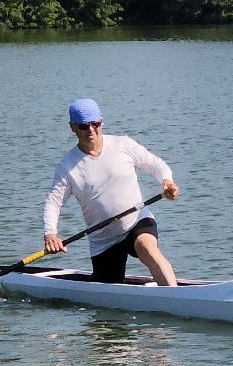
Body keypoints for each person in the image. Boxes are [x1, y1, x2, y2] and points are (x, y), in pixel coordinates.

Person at [43, 98, 181, 285]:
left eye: (95, 123)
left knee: (146, 247)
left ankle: (174, 295)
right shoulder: (67, 167)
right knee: (107, 290)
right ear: (72, 127)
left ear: (101, 122)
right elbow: (54, 203)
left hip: (137, 220)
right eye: (83, 126)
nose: (91, 130)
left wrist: (167, 182)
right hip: (104, 239)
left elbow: (156, 165)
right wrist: (50, 233)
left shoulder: (122, 145)